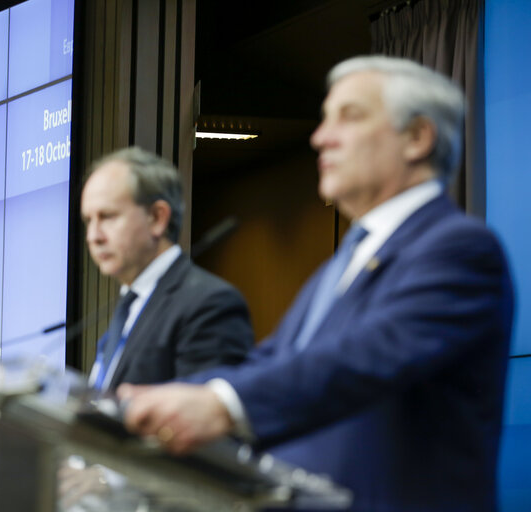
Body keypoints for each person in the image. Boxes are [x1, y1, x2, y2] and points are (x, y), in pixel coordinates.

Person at [119, 56, 514, 512]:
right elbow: (269, 361)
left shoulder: (460, 248)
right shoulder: (343, 262)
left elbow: (363, 358)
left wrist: (221, 404)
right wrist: (162, 399)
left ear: (417, 137)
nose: (320, 137)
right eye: (325, 119)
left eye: (349, 116)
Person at [60, 146, 255, 508]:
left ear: (157, 218)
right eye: (89, 221)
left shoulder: (207, 303)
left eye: (107, 217)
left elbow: (211, 443)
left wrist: (105, 478)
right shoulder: (127, 310)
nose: (94, 236)